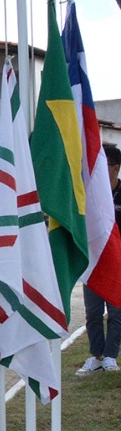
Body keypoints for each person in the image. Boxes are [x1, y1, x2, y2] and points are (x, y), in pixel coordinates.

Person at [77, 143, 121, 375]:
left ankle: (111, 356)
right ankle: (97, 355)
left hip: (117, 263)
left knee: (116, 312)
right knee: (93, 312)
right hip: (93, 261)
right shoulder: (89, 195)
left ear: (114, 168)